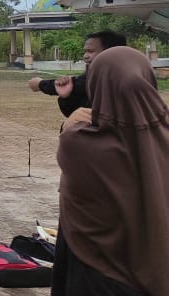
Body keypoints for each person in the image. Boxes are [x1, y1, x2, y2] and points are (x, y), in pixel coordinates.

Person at [52, 46, 168, 296]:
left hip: (96, 269)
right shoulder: (163, 134)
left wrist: (69, 123)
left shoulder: (79, 141)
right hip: (156, 269)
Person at [28, 30, 127, 117]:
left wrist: (40, 84)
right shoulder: (93, 77)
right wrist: (66, 97)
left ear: (111, 52)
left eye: (91, 51)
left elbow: (78, 84)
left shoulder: (121, 78)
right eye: (85, 51)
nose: (85, 56)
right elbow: (76, 113)